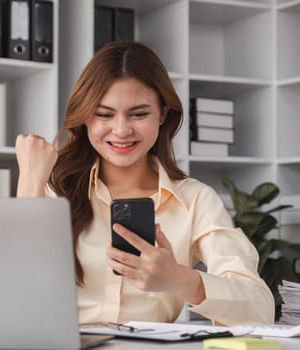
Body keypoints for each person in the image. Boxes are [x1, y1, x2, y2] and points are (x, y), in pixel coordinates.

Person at [15, 42, 274, 326]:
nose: (122, 130)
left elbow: (260, 308)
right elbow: (15, 292)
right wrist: (30, 179)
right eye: (104, 114)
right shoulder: (56, 190)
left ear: (163, 114)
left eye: (139, 114)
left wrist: (181, 280)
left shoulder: (195, 200)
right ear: (85, 116)